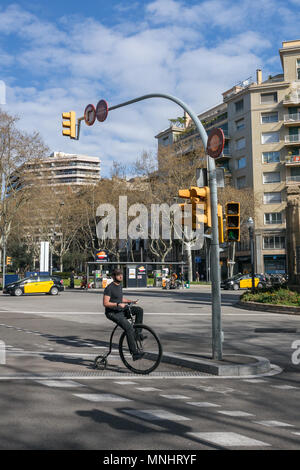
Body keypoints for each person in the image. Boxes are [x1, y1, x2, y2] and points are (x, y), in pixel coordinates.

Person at [103, 268, 144, 361]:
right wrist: (117, 304)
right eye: (118, 274)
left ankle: (137, 334)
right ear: (113, 276)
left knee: (139, 310)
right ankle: (134, 353)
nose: (121, 276)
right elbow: (105, 303)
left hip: (121, 309)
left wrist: (131, 301)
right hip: (113, 313)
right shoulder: (109, 288)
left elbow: (120, 298)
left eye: (121, 274)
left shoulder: (119, 286)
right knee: (129, 328)